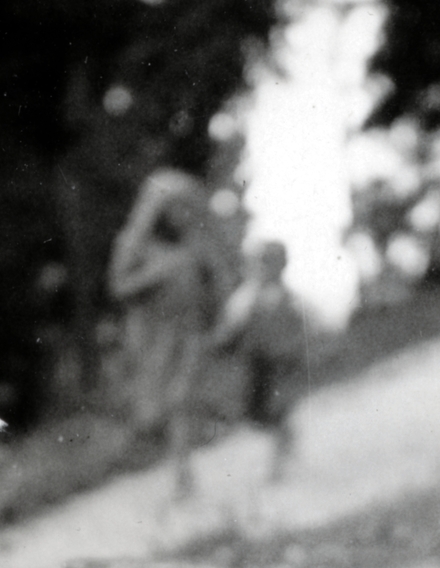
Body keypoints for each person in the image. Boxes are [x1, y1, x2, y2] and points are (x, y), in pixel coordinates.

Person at [107, 169, 242, 497]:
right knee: (160, 406)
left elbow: (222, 280)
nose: (180, 217)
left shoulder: (197, 242)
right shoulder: (134, 243)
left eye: (186, 209)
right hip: (153, 337)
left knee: (182, 400)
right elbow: (119, 287)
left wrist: (222, 320)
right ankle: (176, 463)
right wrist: (157, 273)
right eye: (172, 209)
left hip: (191, 333)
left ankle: (183, 474)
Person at [212, 240, 306, 481]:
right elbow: (229, 328)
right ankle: (285, 441)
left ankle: (278, 465)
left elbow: (301, 327)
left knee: (280, 409)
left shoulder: (289, 296)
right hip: (259, 363)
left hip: (284, 363)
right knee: (258, 414)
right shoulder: (246, 297)